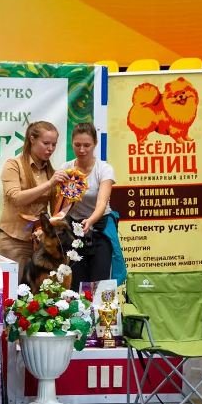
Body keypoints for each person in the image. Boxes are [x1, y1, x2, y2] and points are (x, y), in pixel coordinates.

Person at [0, 121, 68, 281]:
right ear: (32, 139)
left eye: (54, 144)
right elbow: (16, 198)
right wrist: (49, 184)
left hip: (42, 242)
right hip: (14, 239)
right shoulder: (13, 165)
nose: (50, 148)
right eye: (46, 143)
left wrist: (69, 198)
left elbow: (56, 212)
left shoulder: (51, 172)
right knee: (13, 289)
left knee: (41, 290)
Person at [60, 123, 126, 290]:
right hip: (74, 230)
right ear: (72, 143)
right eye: (77, 145)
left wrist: (90, 221)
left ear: (95, 144)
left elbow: (102, 203)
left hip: (100, 227)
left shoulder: (104, 169)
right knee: (76, 282)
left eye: (87, 145)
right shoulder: (65, 169)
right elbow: (60, 204)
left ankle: (102, 307)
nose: (82, 150)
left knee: (100, 283)